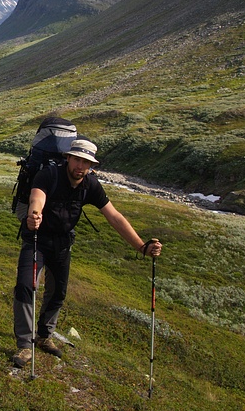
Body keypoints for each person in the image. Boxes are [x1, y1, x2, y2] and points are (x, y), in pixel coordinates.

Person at [12, 138, 162, 367]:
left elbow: (115, 217)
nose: (80, 166)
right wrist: (35, 215)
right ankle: (24, 345)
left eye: (86, 163)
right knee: (25, 286)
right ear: (68, 158)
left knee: (58, 293)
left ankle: (44, 336)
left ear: (91, 166)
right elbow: (37, 197)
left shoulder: (90, 184)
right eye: (77, 160)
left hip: (62, 245)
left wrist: (141, 247)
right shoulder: (49, 175)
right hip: (37, 240)